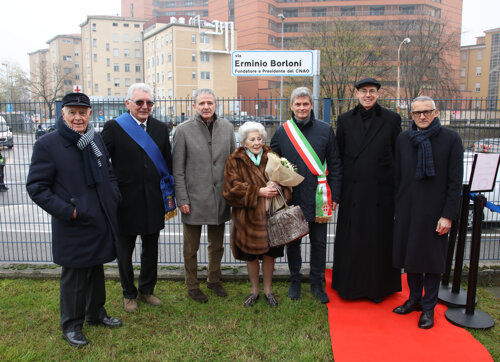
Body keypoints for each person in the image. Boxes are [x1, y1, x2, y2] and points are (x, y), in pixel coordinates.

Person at [26, 92, 122, 347]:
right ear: (63, 114)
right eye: (72, 112)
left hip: (99, 218)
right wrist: (70, 212)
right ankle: (71, 325)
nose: (78, 117)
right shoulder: (48, 144)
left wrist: (113, 195)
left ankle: (96, 314)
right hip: (74, 221)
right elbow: (37, 187)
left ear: (90, 114)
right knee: (75, 276)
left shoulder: (95, 139)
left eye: (83, 112)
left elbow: (108, 173)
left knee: (96, 268)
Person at [392, 96, 463, 329]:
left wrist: (448, 215)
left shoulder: (451, 139)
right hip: (408, 210)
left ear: (436, 112)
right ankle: (414, 299)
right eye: (416, 113)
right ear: (410, 115)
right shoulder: (403, 139)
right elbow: (398, 177)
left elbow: (455, 183)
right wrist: (397, 209)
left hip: (436, 213)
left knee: (432, 262)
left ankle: (429, 307)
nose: (421, 116)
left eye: (426, 111)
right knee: (411, 258)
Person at [101, 83, 173, 313]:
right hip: (125, 201)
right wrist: (112, 189)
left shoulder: (161, 129)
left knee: (151, 249)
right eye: (139, 102)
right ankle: (128, 293)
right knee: (125, 251)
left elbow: (167, 164)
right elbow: (102, 163)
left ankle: (147, 290)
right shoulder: (113, 127)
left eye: (149, 103)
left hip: (153, 199)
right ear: (128, 103)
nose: (144, 106)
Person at [332, 77, 402, 302]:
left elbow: (398, 156)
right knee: (351, 241)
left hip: (380, 194)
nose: (368, 95)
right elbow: (339, 158)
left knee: (377, 241)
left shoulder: (392, 120)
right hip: (352, 193)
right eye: (364, 91)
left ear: (378, 94)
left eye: (372, 91)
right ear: (357, 94)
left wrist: (396, 193)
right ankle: (349, 286)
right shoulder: (344, 120)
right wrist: (338, 192)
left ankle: (377, 288)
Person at [271, 86, 342, 303]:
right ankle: (295, 280)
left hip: (319, 197)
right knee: (293, 241)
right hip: (294, 197)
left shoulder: (325, 130)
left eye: (305, 104)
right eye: (297, 104)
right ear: (291, 106)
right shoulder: (283, 131)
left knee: (319, 243)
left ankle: (317, 282)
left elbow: (336, 164)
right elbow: (272, 161)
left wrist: (336, 196)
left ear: (312, 105)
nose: (302, 108)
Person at [172, 88, 236, 303]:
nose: (206, 106)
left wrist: (232, 194)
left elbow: (233, 164)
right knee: (191, 248)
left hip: (220, 198)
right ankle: (192, 284)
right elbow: (177, 169)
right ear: (194, 106)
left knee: (217, 245)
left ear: (216, 105)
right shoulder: (182, 131)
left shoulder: (227, 128)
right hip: (193, 199)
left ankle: (214, 279)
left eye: (209, 102)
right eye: (201, 103)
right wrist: (182, 199)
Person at [223, 121, 291, 307]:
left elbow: (286, 182)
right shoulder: (234, 160)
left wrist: (278, 188)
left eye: (259, 138)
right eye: (252, 139)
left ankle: (269, 291)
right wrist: (258, 192)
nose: (256, 142)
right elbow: (230, 189)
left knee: (270, 255)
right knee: (251, 256)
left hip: (271, 216)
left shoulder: (273, 156)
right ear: (244, 142)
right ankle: (254, 291)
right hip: (247, 219)